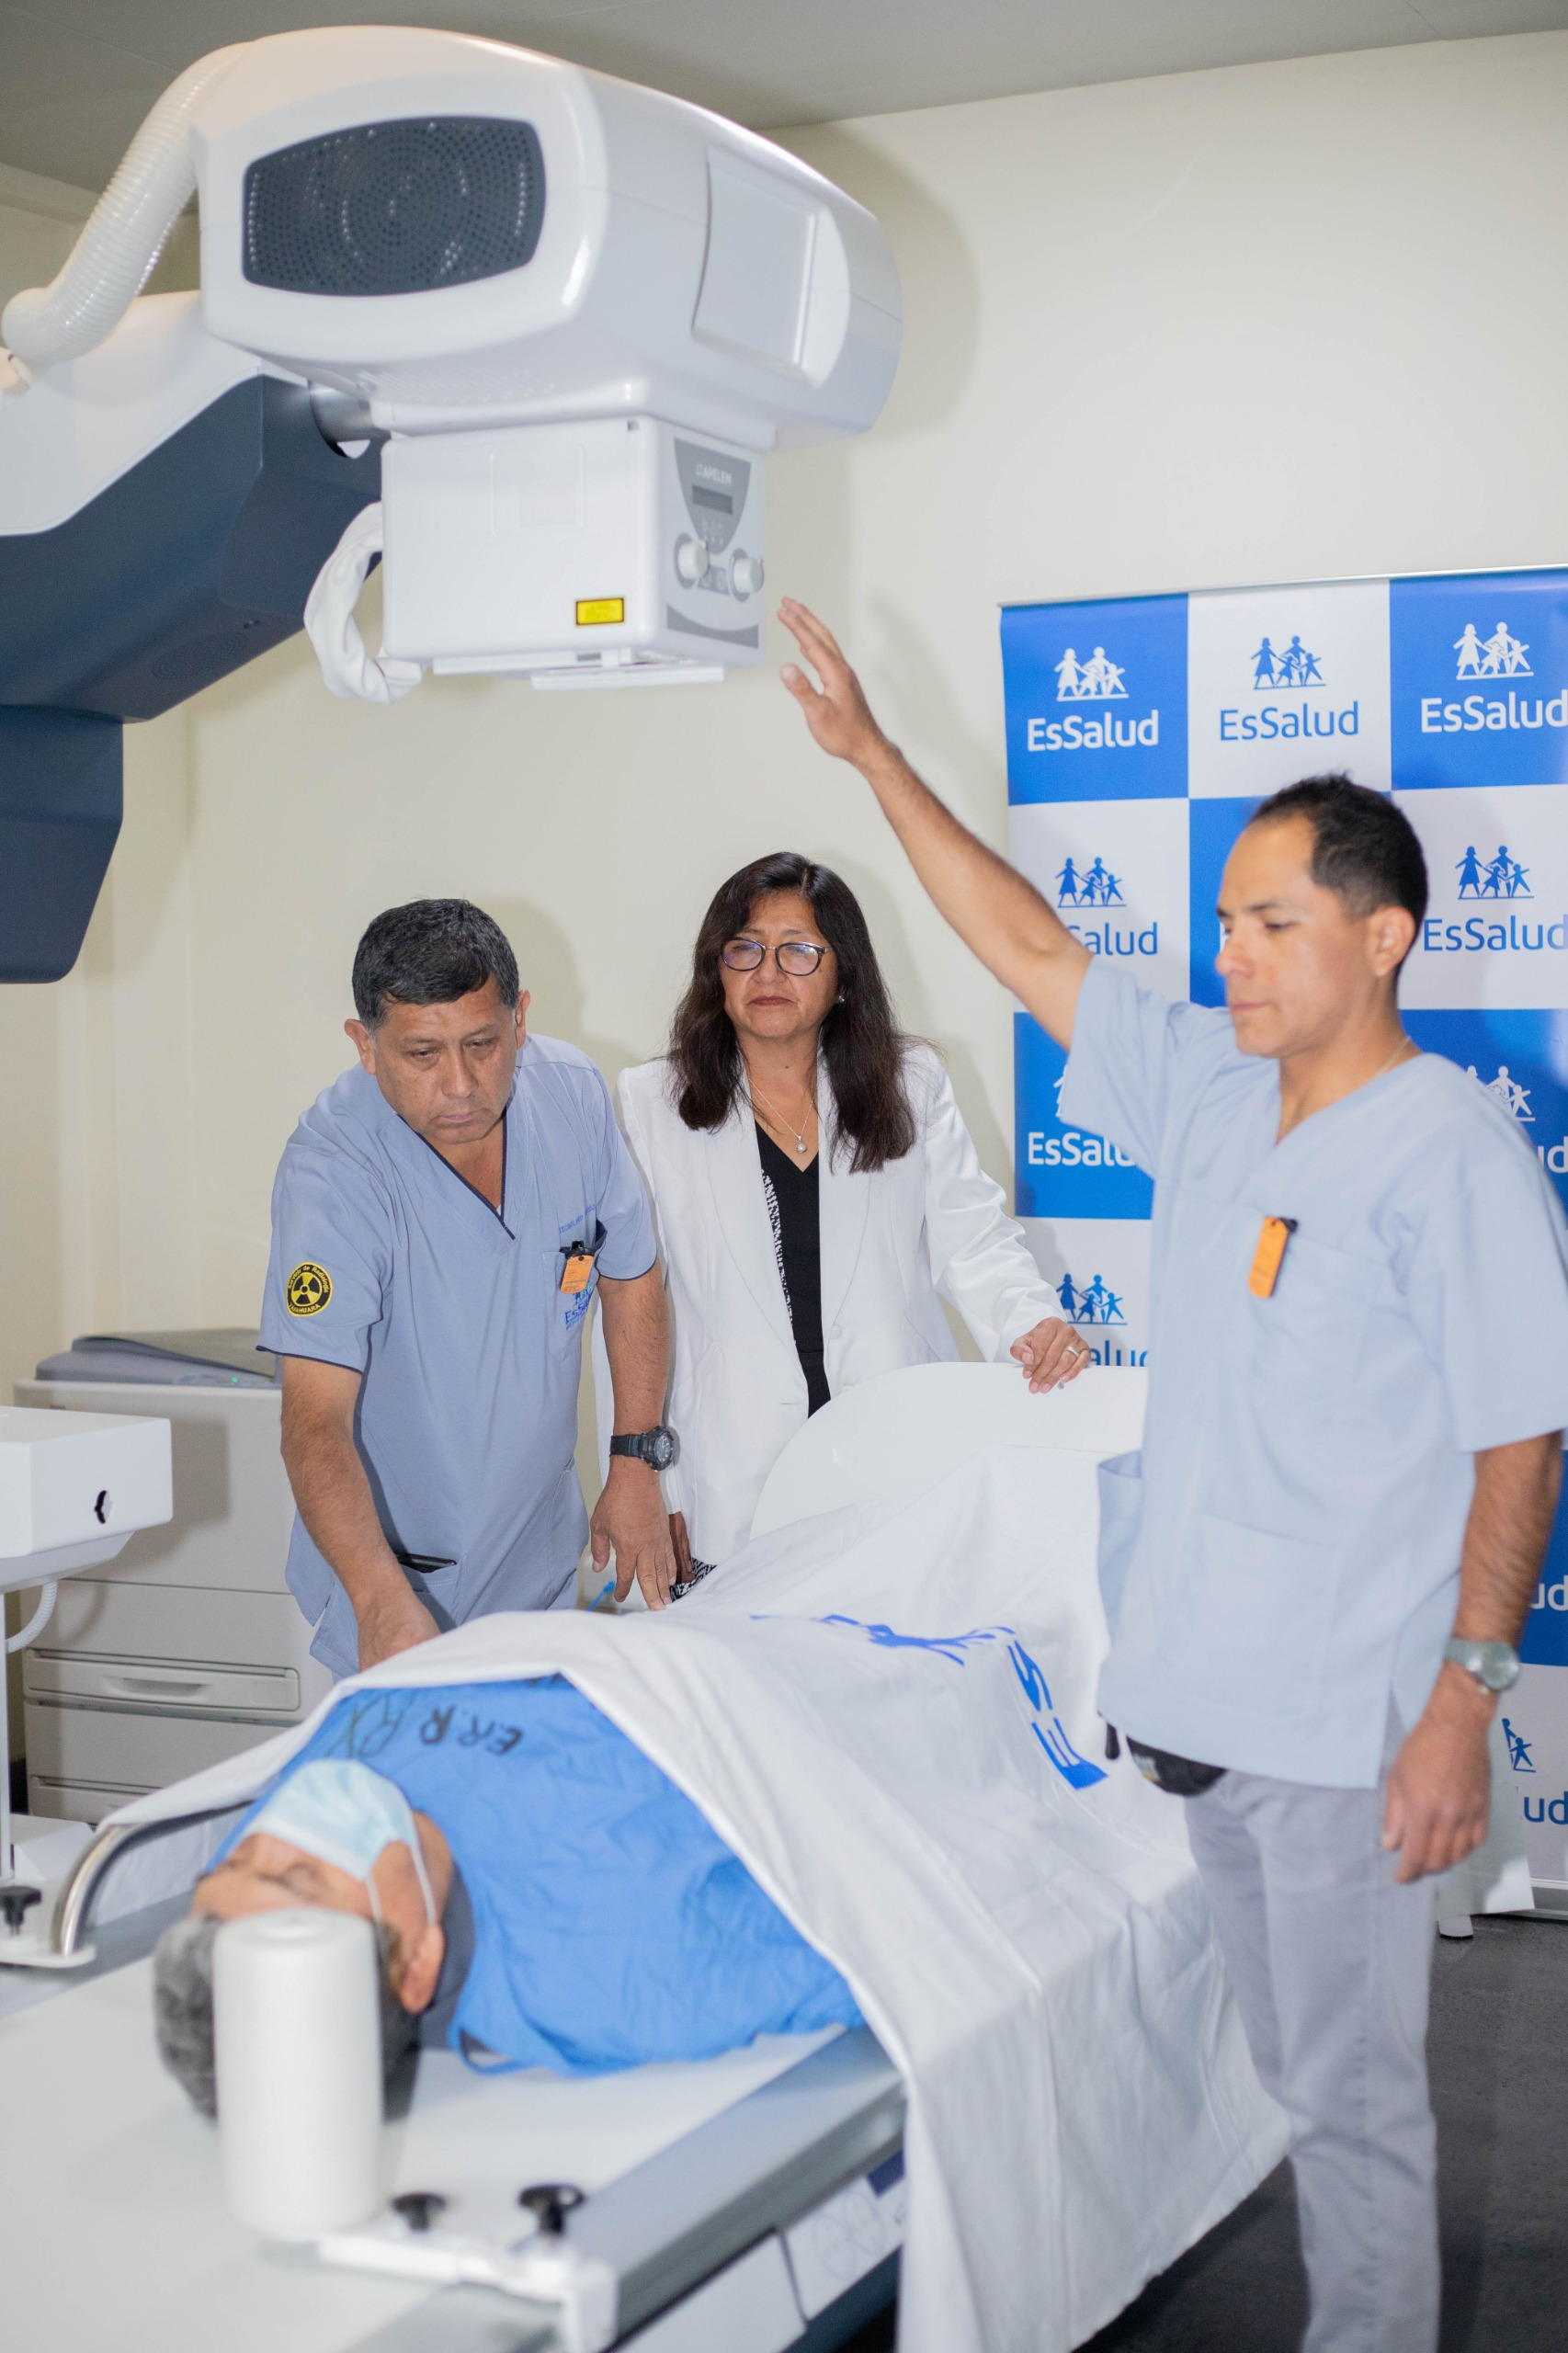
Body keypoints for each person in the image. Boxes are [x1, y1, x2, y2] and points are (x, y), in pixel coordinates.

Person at [775, 599, 1568, 2353]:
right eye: (1224, 921)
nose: (1237, 954)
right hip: (1199, 1698)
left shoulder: (1452, 1157)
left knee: (1357, 2109)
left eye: (1274, 923)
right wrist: (871, 759)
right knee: (1289, 2075)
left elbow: (1522, 1440)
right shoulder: (1212, 1086)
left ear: (1386, 937)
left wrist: (1464, 1703)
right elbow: (1029, 944)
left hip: (1350, 1722)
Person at [613, 852, 1086, 1586]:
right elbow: (630, 1304)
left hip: (890, 1460)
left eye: (800, 951)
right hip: (726, 1482)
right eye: (745, 949)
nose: (768, 974)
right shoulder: (651, 1105)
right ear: (717, 970)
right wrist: (640, 1469)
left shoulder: (909, 1084)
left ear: (843, 976)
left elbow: (975, 1240)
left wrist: (1029, 1325)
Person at [261, 899, 677, 1677]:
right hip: (397, 1584)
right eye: (421, 1054)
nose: (460, 1085)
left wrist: (634, 1463)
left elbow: (630, 1273)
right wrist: (379, 1601)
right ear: (366, 1045)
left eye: (483, 1044)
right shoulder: (333, 1171)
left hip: (543, 1568)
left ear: (519, 1019)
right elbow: (312, 1419)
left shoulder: (570, 1094)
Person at [153, 1673, 860, 2110]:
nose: (279, 1829)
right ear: (418, 1963)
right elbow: (881, 1919)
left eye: (236, 1860)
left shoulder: (297, 1848)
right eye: (297, 1876)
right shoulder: (616, 1956)